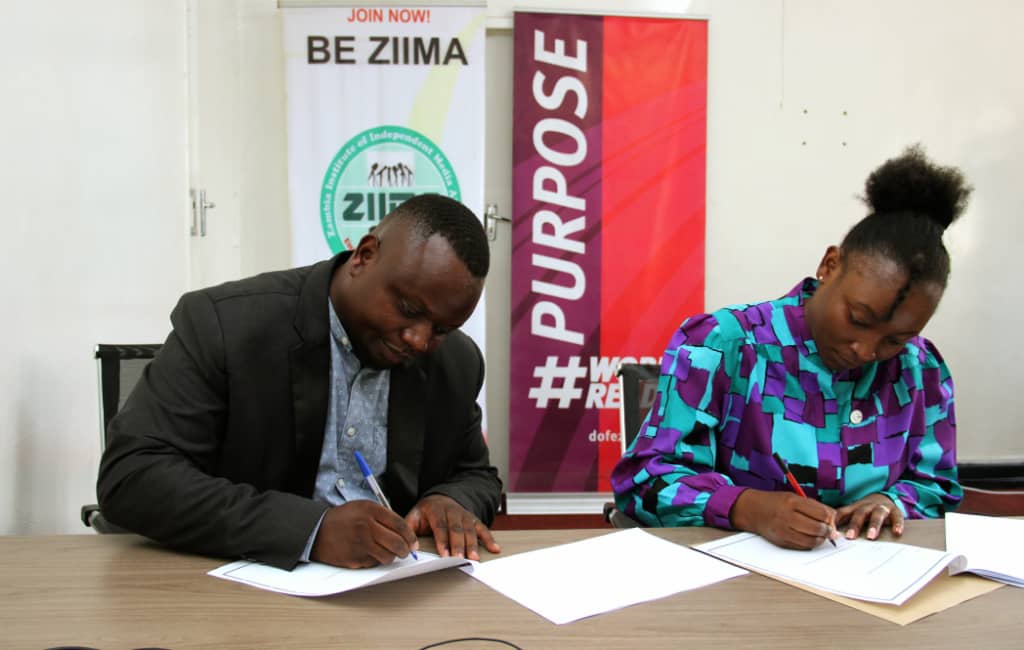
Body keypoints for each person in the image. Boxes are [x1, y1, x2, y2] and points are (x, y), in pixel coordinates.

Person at [98, 194, 503, 570]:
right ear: (364, 256)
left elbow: (476, 475)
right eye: (408, 309)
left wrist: (451, 499)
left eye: (442, 329)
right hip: (240, 585)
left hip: (389, 588)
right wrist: (311, 530)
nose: (418, 339)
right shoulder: (225, 326)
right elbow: (132, 476)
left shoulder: (455, 363)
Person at [611, 145, 970, 550]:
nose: (865, 350)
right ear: (830, 265)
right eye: (858, 318)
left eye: (895, 339)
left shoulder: (921, 368)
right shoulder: (723, 345)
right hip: (737, 578)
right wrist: (747, 507)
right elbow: (644, 482)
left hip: (871, 575)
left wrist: (893, 502)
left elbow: (937, 485)